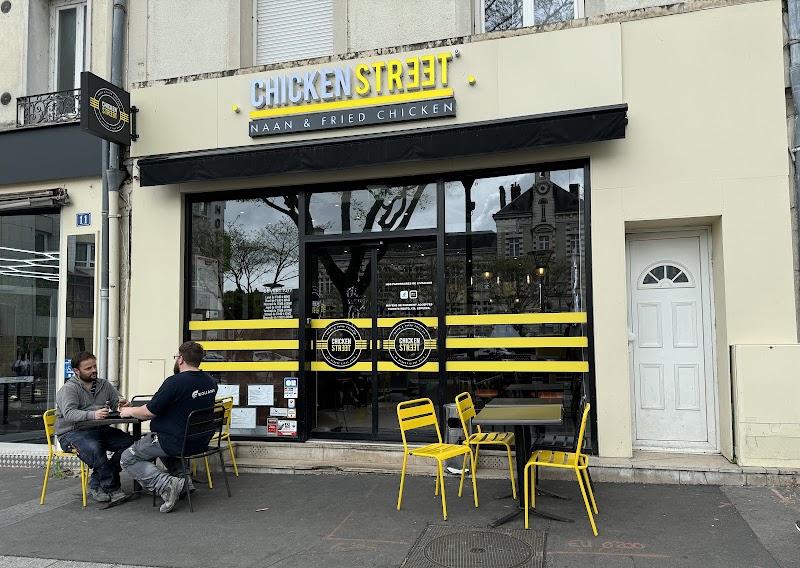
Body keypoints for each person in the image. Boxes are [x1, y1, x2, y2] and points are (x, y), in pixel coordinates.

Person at [120, 341, 218, 513]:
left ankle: (166, 485)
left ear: (180, 359)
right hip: (200, 441)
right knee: (160, 442)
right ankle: (184, 479)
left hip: (175, 441)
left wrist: (129, 411)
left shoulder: (175, 382)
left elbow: (149, 411)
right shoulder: (210, 382)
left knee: (128, 457)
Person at [55, 352, 134, 503]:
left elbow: (115, 401)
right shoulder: (69, 389)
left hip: (98, 430)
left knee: (130, 443)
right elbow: (70, 414)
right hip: (70, 433)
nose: (93, 370)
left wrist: (122, 404)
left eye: (94, 366)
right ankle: (112, 487)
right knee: (93, 447)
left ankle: (96, 483)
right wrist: (93, 414)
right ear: (76, 371)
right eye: (88, 368)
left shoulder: (104, 384)